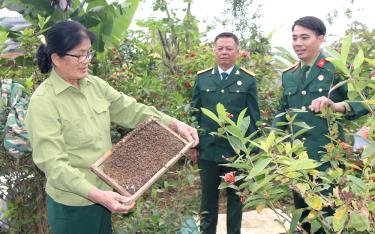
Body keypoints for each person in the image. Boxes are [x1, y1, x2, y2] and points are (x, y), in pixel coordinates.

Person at [25, 20, 199, 234]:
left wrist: (174, 123)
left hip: (104, 194)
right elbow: (54, 165)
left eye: (89, 53)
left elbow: (131, 110)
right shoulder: (44, 102)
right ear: (56, 58)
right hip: (72, 206)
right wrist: (98, 196)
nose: (85, 61)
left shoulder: (94, 85)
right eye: (79, 55)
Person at [272, 16, 368, 233]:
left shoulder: (338, 69)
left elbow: (366, 102)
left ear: (321, 38)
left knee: (329, 219)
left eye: (304, 37)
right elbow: (282, 111)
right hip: (297, 161)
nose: (298, 43)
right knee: (303, 218)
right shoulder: (290, 75)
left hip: (329, 159)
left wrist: (336, 106)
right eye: (295, 37)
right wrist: (272, 143)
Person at [192, 32, 260, 234]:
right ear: (214, 50)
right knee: (208, 201)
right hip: (208, 151)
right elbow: (195, 114)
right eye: (220, 48)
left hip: (236, 152)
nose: (224, 52)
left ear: (237, 52)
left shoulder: (248, 80)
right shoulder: (202, 78)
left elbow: (254, 119)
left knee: (235, 200)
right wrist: (193, 146)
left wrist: (252, 151)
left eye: (229, 48)